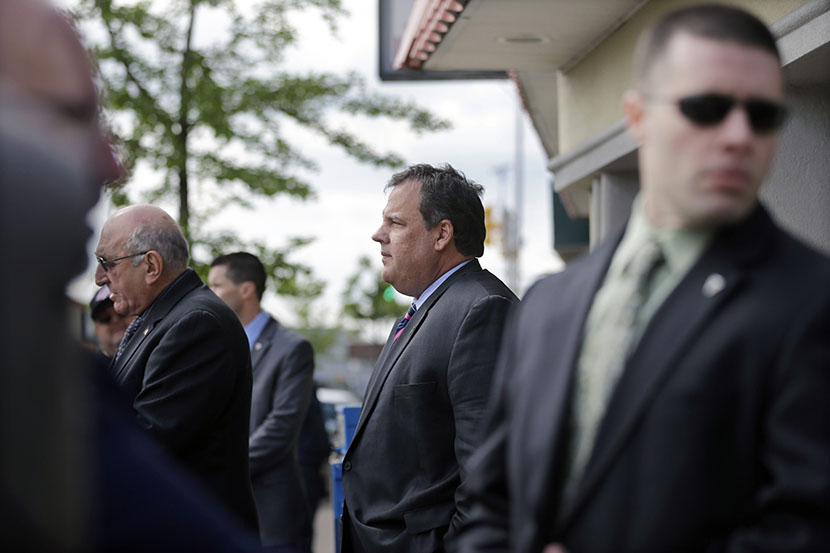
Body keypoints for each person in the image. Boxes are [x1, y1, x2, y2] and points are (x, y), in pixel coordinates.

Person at [453, 5, 830, 553]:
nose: (739, 136)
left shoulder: (809, 300)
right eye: (707, 107)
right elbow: (493, 500)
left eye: (764, 115)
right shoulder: (548, 304)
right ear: (637, 117)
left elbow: (806, 529)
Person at [341, 164, 519, 553]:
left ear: (442, 234)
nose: (379, 235)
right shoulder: (427, 309)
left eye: (396, 223)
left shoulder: (482, 309)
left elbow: (489, 479)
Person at [94, 205, 259, 531]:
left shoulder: (196, 323)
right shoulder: (165, 317)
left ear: (152, 266)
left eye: (107, 263)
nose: (99, 278)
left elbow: (144, 441)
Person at [209, 252, 321, 551]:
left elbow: (281, 427)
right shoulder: (217, 346)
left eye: (217, 286)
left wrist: (221, 468)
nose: (211, 295)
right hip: (225, 509)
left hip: (271, 513)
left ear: (246, 289)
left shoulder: (292, 348)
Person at [89, 285, 132, 358]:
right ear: (96, 329)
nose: (115, 320)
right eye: (105, 317)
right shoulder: (89, 367)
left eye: (122, 311)